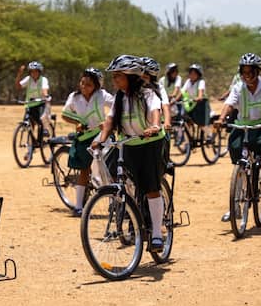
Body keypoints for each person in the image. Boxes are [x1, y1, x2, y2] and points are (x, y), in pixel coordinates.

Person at [92, 55, 167, 252]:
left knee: (151, 187)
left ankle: (157, 234)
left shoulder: (147, 94)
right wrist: (100, 139)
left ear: (131, 76)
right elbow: (109, 122)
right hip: (129, 144)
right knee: (121, 177)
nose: (115, 80)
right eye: (114, 76)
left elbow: (155, 112)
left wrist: (154, 126)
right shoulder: (119, 97)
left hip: (151, 143)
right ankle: (134, 217)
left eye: (119, 76)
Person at [214, 54, 261, 218]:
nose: (247, 76)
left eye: (250, 72)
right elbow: (229, 104)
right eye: (244, 72)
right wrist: (221, 119)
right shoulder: (238, 87)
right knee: (235, 147)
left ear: (257, 72)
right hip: (243, 126)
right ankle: (238, 201)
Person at [60, 68, 115, 215]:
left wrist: (108, 122)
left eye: (89, 84)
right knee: (84, 170)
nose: (84, 87)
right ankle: (78, 206)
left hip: (100, 135)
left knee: (107, 168)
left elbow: (116, 106)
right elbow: (65, 115)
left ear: (96, 86)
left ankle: (113, 203)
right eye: (82, 83)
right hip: (84, 137)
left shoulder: (102, 95)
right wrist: (76, 122)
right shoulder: (74, 97)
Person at [15, 61, 53, 136]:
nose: (34, 73)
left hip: (40, 103)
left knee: (41, 120)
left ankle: (44, 132)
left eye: (36, 71)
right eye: (32, 71)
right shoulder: (28, 79)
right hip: (30, 104)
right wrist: (19, 75)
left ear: (39, 72)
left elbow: (44, 89)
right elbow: (18, 86)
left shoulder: (43, 79)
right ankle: (31, 143)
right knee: (28, 123)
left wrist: (46, 95)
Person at [182, 63, 212, 141]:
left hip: (201, 103)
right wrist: (175, 99)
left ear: (198, 74)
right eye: (191, 73)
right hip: (191, 103)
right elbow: (182, 92)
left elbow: (200, 93)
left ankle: (209, 135)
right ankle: (189, 140)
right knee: (186, 120)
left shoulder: (201, 82)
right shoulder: (188, 81)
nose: (192, 75)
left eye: (194, 73)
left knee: (201, 123)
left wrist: (199, 97)